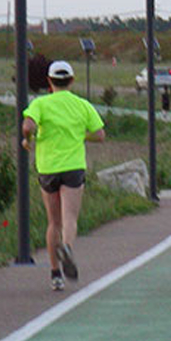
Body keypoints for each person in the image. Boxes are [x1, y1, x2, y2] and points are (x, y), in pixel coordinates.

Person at [22, 60, 106, 292]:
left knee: (53, 222)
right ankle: (67, 247)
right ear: (72, 80)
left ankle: (55, 274)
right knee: (70, 217)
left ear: (49, 81)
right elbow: (100, 135)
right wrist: (80, 135)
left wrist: (28, 141)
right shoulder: (82, 104)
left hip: (48, 167)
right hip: (73, 166)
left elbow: (27, 126)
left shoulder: (40, 103)